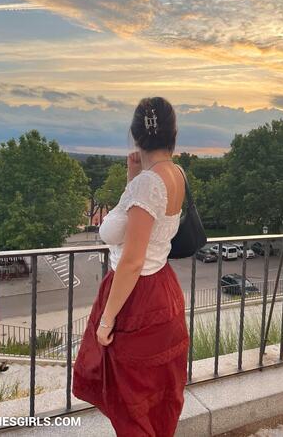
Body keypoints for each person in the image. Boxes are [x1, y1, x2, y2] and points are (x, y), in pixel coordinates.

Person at [73, 97, 189, 436]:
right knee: (154, 391)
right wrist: (132, 178)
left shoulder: (148, 183)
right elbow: (139, 222)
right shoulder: (175, 174)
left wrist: (106, 320)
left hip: (136, 297)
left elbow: (133, 260)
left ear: (136, 135)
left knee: (130, 395)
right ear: (173, 134)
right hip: (162, 287)